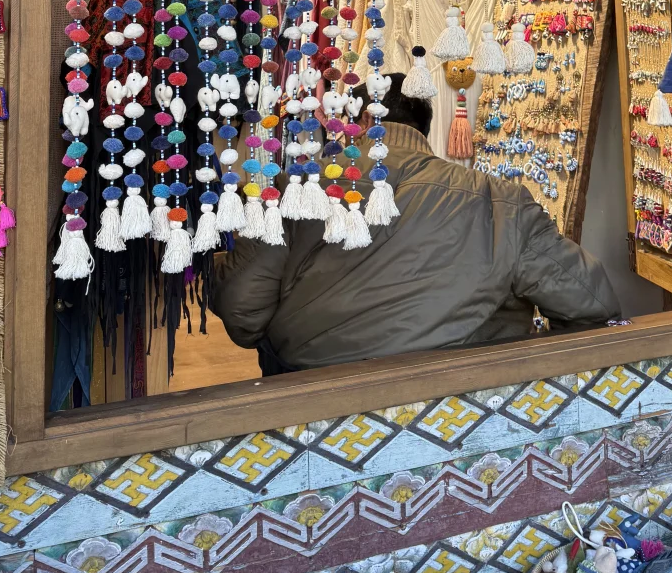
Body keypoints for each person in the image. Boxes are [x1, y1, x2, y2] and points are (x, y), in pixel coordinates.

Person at [213, 74, 620, 373]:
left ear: (357, 123)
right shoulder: (498, 201)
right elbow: (594, 303)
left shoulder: (294, 191)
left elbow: (241, 315)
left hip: (313, 401)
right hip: (462, 405)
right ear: (424, 129)